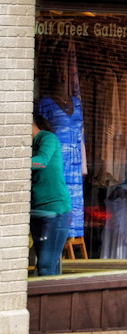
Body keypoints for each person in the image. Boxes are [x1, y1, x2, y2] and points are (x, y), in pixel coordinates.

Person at [31, 112, 72, 277]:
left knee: (45, 266)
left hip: (56, 211)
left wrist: (12, 161)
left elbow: (41, 161)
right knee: (46, 265)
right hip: (38, 212)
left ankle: (49, 302)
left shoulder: (47, 138)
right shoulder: (27, 145)